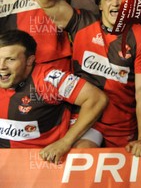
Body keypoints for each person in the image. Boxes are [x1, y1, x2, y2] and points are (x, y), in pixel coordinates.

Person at [37, 0, 141, 157]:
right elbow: (46, 1)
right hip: (87, 118)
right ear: (99, 5)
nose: (115, 3)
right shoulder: (82, 23)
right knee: (84, 155)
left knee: (117, 174)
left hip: (121, 121)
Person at [0, 29, 107, 164]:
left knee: (85, 150)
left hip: (44, 158)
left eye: (10, 59)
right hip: (7, 159)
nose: (1, 66)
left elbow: (97, 99)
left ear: (29, 61)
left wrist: (65, 142)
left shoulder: (48, 79)